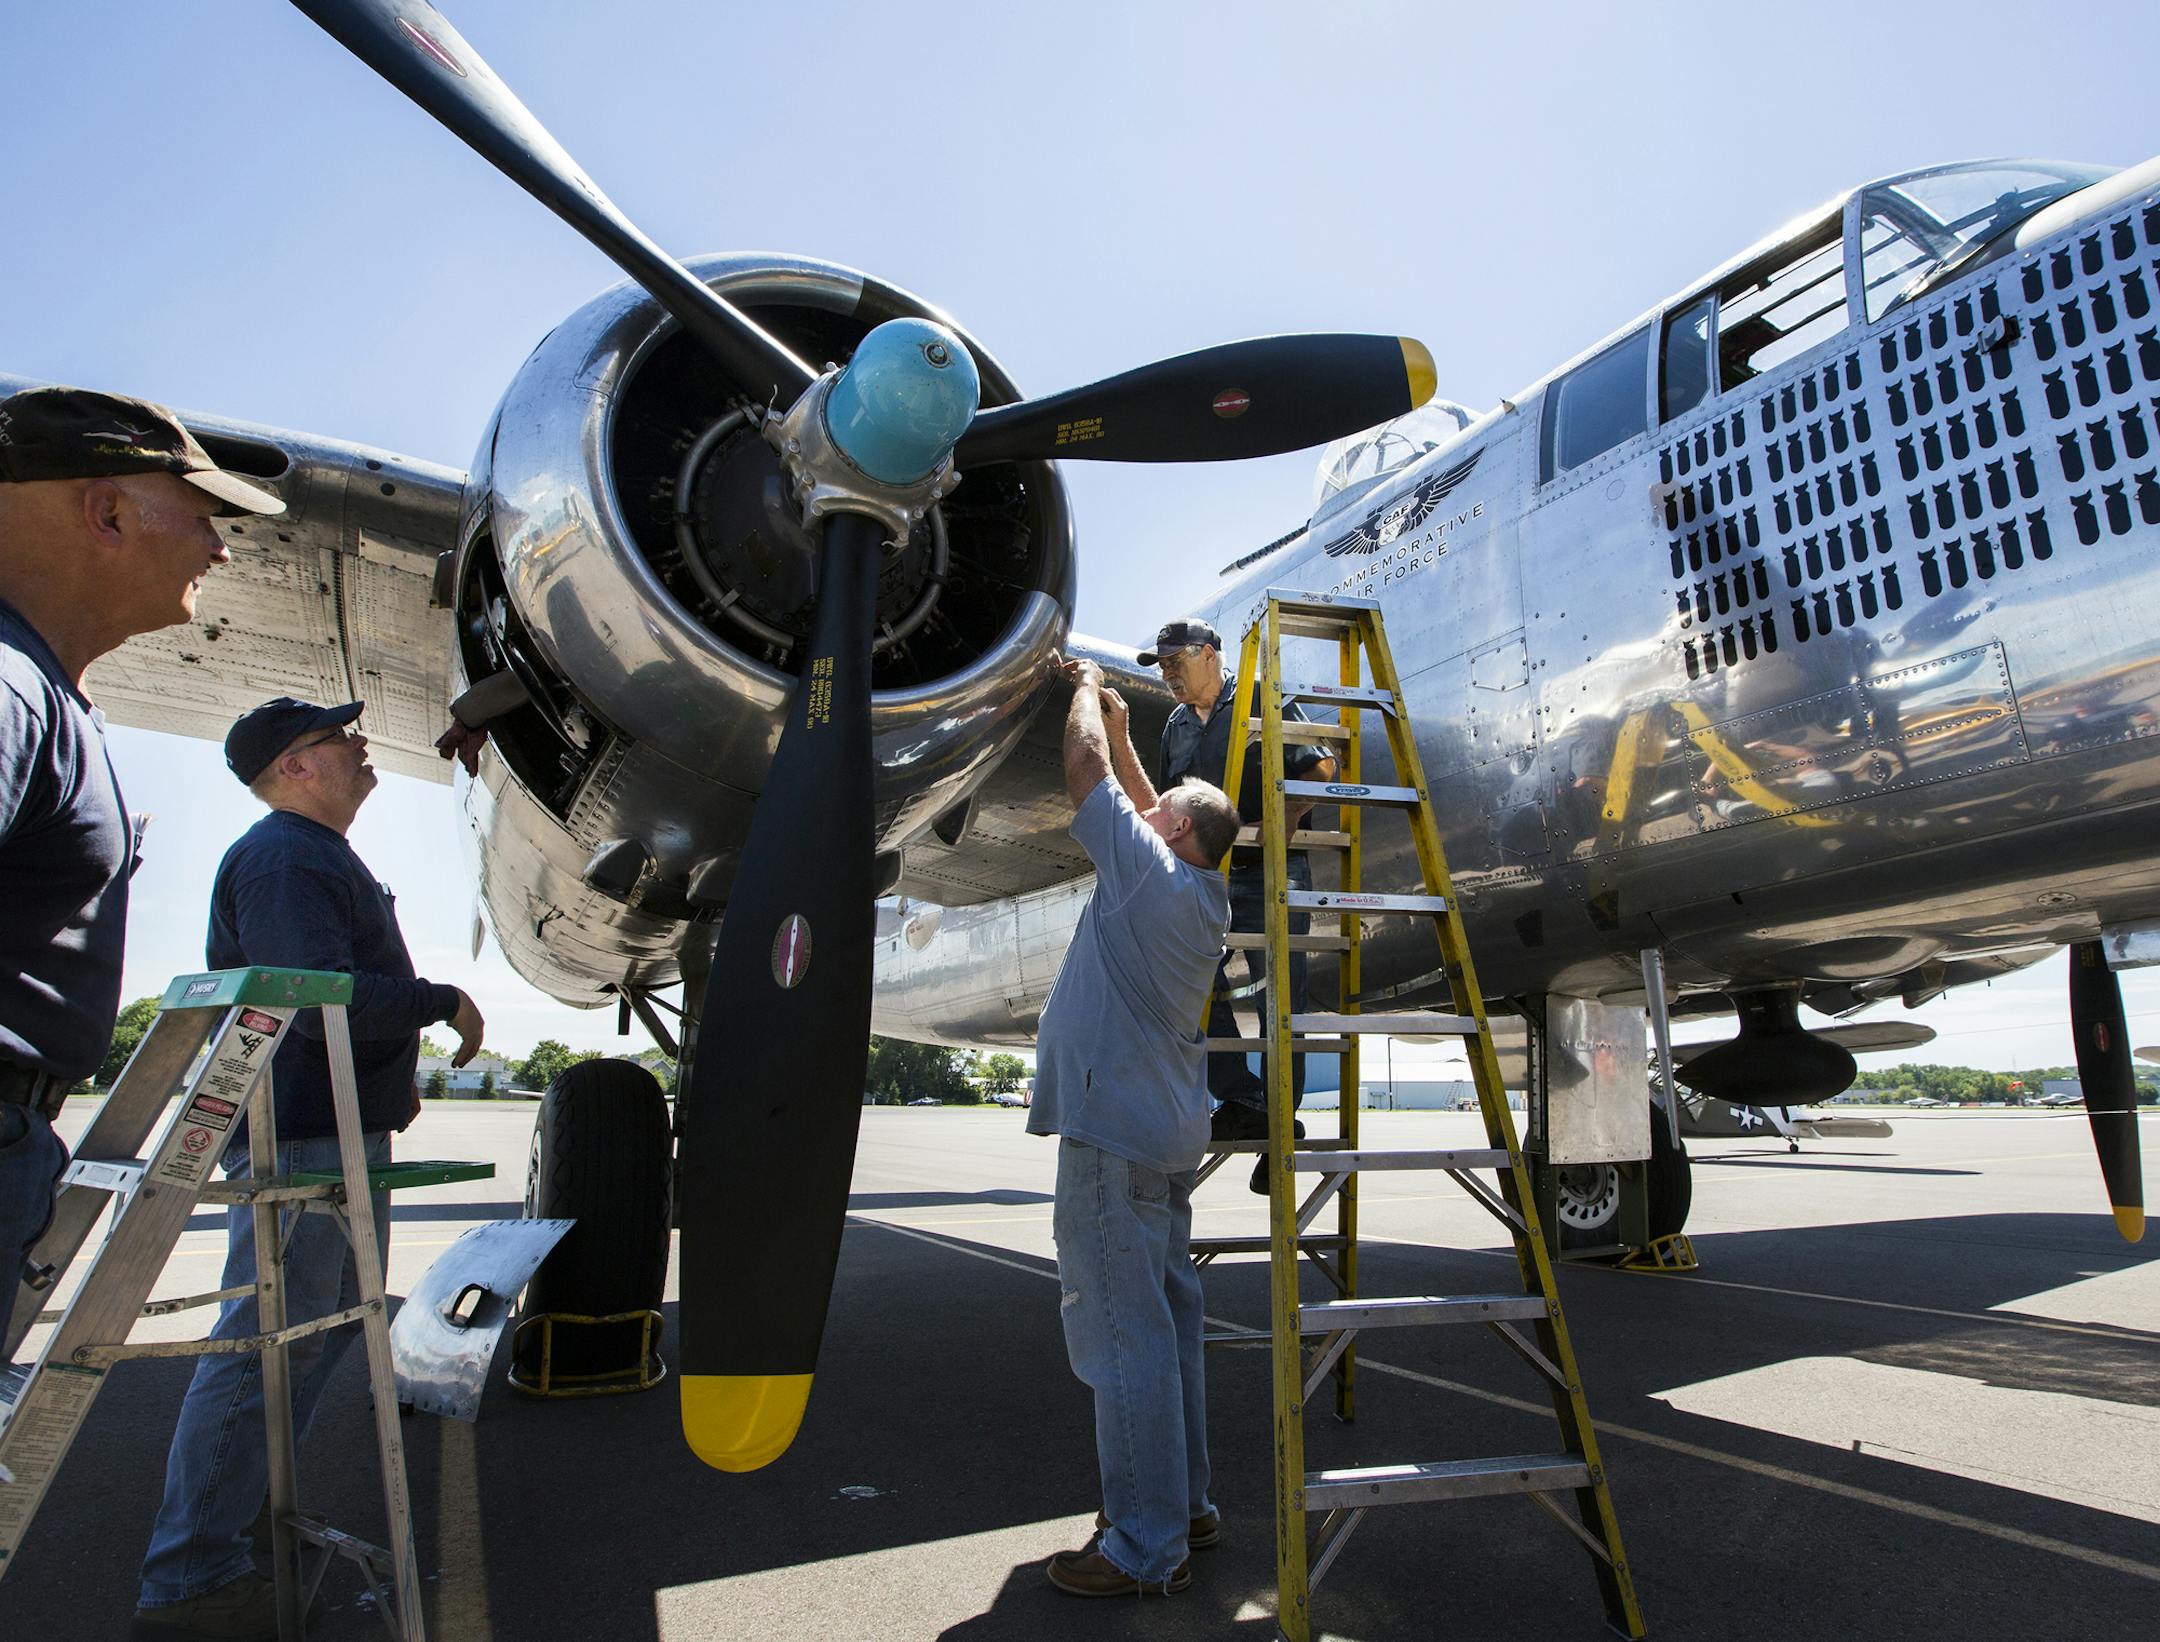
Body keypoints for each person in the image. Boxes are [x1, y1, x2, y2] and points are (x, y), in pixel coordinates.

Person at [134, 697, 484, 1640]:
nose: (362, 746)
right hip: (304, 1138)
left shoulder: (310, 853)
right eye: (340, 738)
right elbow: (314, 997)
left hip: (334, 1131)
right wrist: (441, 998)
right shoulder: (288, 856)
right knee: (263, 1348)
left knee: (311, 1339)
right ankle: (193, 1580)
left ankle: (229, 1534)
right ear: (295, 766)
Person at [1, 384, 282, 1357]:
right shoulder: (7, 686)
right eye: (203, 514)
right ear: (108, 510)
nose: (222, 547)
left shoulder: (40, 690)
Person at [1027, 654, 1239, 1598]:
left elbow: (1084, 779)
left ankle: (1144, 1545)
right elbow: (1150, 802)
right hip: (1161, 1136)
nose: (1142, 807)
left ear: (1178, 830)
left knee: (1122, 1338)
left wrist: (1082, 692)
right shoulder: (1197, 889)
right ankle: (1184, 1503)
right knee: (1167, 1326)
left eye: (1161, 810)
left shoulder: (1148, 877)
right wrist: (1128, 733)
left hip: (1113, 1138)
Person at [1140, 618, 1336, 1174]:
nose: (1169, 675)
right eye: (1163, 667)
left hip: (1271, 870)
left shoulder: (1259, 696)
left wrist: (1285, 821)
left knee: (1282, 1004)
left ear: (1208, 655)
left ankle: (1279, 1129)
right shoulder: (1175, 726)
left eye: (1176, 662)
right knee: (1192, 986)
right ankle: (1242, 1096)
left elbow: (1321, 767)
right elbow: (1167, 806)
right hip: (1206, 880)